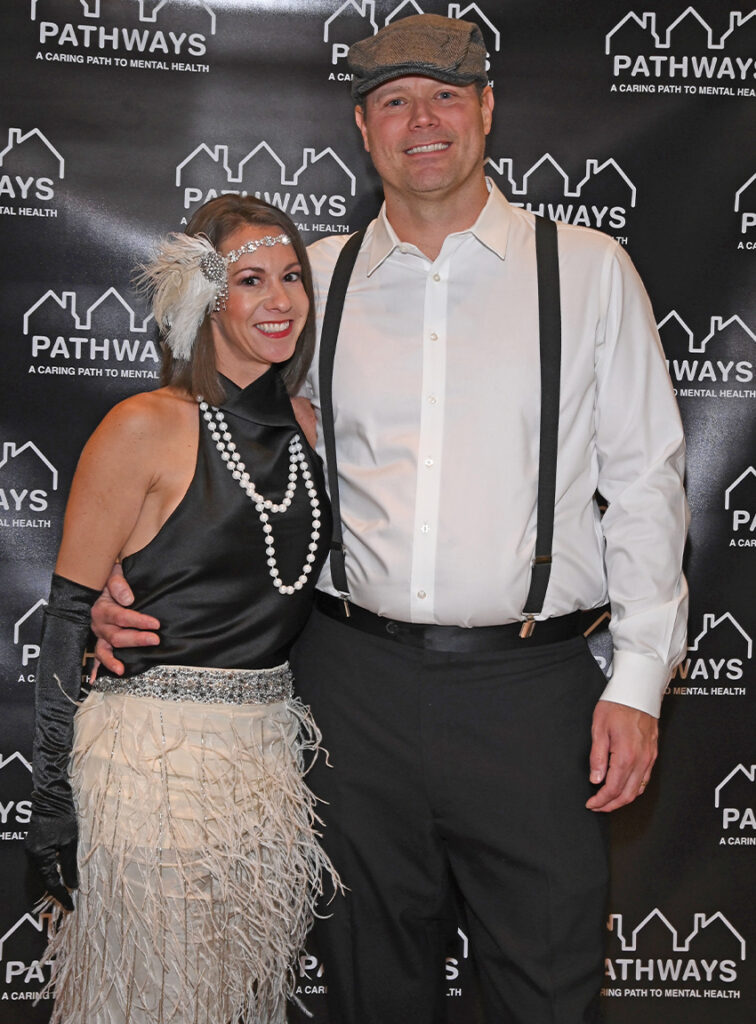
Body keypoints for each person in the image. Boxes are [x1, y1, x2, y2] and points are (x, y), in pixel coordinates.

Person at [91, 14, 688, 1024]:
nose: (424, 121)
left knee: (549, 990)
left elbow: (646, 483)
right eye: (395, 101)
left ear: (487, 109)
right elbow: (216, 436)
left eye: (446, 95)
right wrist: (129, 573)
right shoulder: (309, 279)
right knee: (370, 989)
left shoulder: (587, 269)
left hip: (529, 694)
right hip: (348, 691)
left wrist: (638, 682)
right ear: (363, 128)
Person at [25, 195, 340, 1024]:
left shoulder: (313, 430)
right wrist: (51, 802)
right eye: (250, 281)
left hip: (267, 766)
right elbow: (67, 617)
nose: (280, 300)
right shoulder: (143, 426)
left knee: (237, 1003)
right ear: (206, 297)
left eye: (292, 277)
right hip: (149, 768)